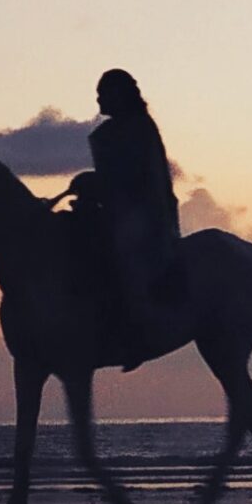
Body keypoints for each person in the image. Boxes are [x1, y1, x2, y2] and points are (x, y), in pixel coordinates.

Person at [69, 69, 183, 367]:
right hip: (116, 210)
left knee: (125, 253)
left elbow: (136, 179)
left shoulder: (139, 129)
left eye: (104, 92)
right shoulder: (108, 134)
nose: (98, 98)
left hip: (146, 213)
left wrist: (94, 184)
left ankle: (137, 330)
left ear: (121, 94)